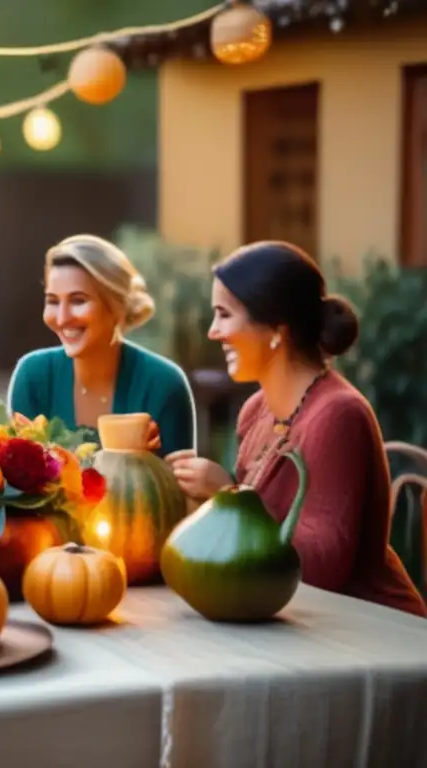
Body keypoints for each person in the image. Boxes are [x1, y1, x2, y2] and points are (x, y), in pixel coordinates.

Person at [166, 240, 426, 617]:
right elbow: (241, 551)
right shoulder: (255, 412)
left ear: (276, 328)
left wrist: (227, 492)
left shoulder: (339, 416)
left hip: (370, 633)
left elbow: (323, 570)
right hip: (293, 624)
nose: (212, 331)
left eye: (224, 315)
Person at [7, 233, 196, 457]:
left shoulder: (163, 384)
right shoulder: (34, 376)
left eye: (78, 300)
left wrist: (144, 462)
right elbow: (22, 480)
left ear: (117, 307)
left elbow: (176, 487)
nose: (62, 318)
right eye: (53, 301)